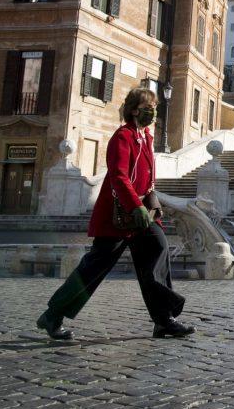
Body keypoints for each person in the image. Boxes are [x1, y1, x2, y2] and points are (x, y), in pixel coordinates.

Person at [36, 87, 194, 340]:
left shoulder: (147, 138)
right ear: (133, 110)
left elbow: (145, 177)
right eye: (147, 107)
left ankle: (164, 319)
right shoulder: (122, 137)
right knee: (94, 268)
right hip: (119, 215)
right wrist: (136, 206)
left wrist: (148, 205)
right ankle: (53, 314)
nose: (152, 111)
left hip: (142, 214)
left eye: (154, 107)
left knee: (158, 249)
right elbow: (119, 176)